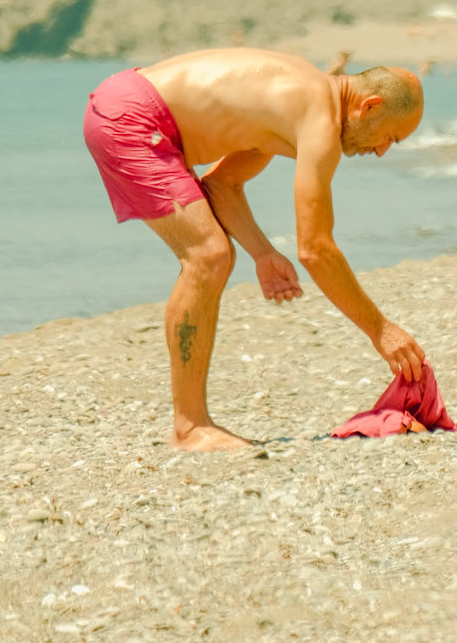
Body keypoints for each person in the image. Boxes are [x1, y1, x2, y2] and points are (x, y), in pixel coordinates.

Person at [82, 50, 427, 454]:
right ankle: (189, 428)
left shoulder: (296, 100)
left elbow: (221, 185)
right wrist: (381, 331)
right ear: (370, 106)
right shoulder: (319, 120)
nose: (383, 151)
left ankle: (191, 424)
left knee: (214, 255)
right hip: (132, 118)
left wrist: (262, 254)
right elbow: (315, 249)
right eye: (391, 137)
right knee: (208, 256)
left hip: (126, 102)